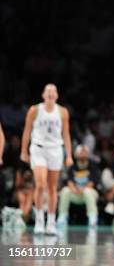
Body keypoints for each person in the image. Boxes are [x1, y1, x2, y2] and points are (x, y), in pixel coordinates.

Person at [20, 83, 73, 235]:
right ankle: (39, 221)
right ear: (43, 95)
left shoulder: (62, 112)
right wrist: (24, 151)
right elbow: (27, 130)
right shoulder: (35, 110)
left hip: (55, 150)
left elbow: (66, 135)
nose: (50, 93)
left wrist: (69, 155)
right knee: (41, 184)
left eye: (53, 91)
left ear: (57, 95)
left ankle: (51, 222)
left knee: (52, 188)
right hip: (38, 149)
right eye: (48, 91)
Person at [57, 145, 101, 228]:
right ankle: (62, 217)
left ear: (88, 154)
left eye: (85, 153)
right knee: (65, 190)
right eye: (81, 152)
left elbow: (92, 182)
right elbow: (69, 181)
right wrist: (74, 189)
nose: (83, 155)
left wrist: (82, 189)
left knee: (87, 191)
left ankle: (92, 218)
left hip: (89, 193)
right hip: (75, 193)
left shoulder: (93, 165)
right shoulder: (72, 166)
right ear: (76, 154)